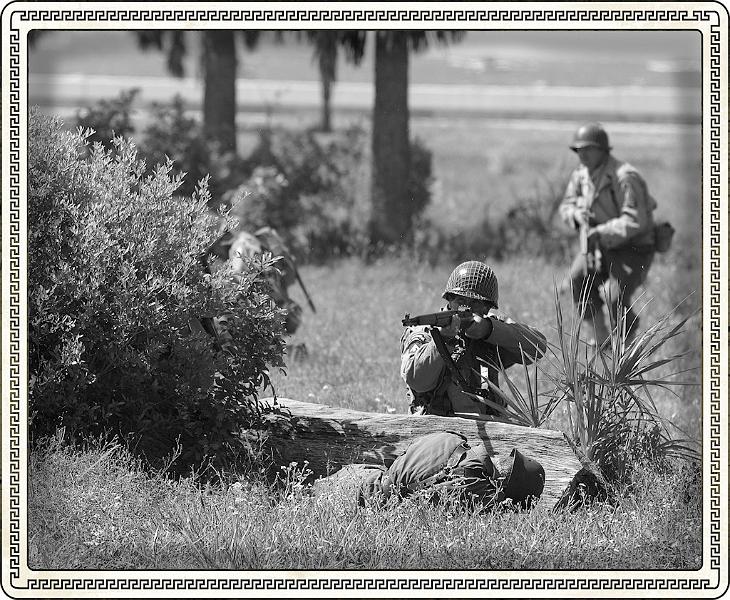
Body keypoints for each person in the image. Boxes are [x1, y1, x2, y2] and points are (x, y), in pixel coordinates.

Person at [400, 261, 547, 417]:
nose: (465, 308)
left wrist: (488, 330)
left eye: (475, 303)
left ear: (487, 307)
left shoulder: (490, 329)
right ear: (450, 299)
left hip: (493, 427)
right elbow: (417, 381)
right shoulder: (424, 333)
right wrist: (443, 341)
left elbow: (537, 347)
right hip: (438, 430)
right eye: (461, 301)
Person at [559, 123, 656, 346]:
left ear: (603, 150)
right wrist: (576, 215)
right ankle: (600, 341)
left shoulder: (624, 177)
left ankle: (627, 348)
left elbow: (635, 221)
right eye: (578, 150)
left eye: (588, 149)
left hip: (632, 247)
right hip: (596, 245)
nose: (581, 155)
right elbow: (567, 206)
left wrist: (601, 231)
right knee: (577, 280)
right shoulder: (580, 175)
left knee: (615, 296)